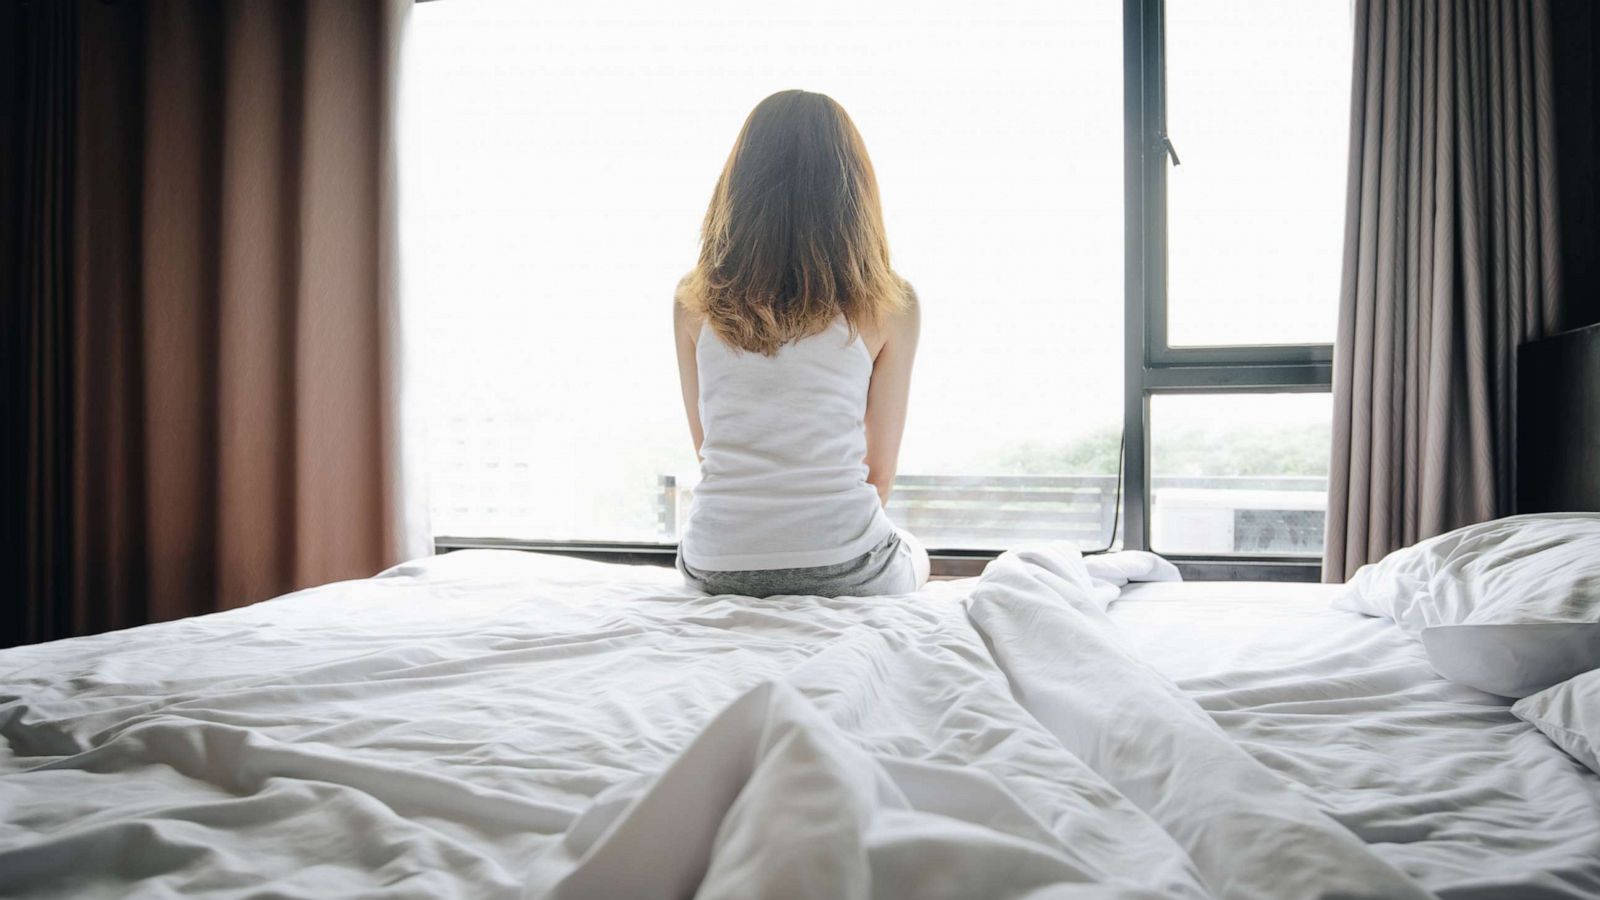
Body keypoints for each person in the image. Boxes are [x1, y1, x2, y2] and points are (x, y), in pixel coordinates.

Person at [672, 89, 929, 598]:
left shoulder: (693, 300)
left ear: (739, 185)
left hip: (714, 562)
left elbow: (709, 449)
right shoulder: (891, 304)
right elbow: (878, 476)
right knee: (915, 552)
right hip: (843, 563)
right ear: (854, 190)